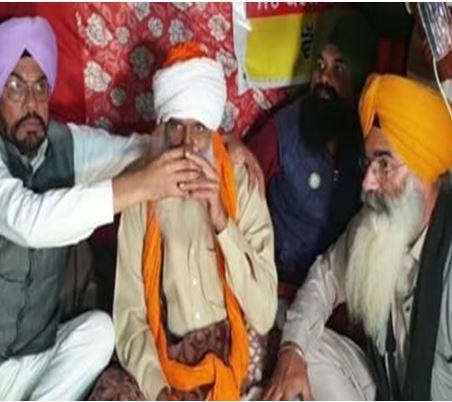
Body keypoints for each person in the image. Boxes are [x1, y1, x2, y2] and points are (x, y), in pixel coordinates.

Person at [0, 18, 261, 400]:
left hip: (33, 360)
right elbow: (28, 221)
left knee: (99, 332)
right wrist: (140, 186)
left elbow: (139, 149)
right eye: (15, 87)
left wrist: (214, 140)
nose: (31, 103)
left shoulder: (64, 144)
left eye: (40, 87)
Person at [263, 74, 452, 400]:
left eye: (384, 164)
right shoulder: (376, 226)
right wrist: (292, 351)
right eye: (369, 162)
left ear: (423, 171)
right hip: (387, 388)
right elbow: (325, 279)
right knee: (302, 343)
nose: (367, 183)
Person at [107, 43, 277, 401]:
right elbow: (130, 314)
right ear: (162, 128)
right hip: (168, 358)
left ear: (213, 129)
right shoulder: (141, 189)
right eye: (176, 127)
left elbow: (263, 314)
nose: (186, 145)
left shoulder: (242, 183)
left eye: (198, 128)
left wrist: (221, 221)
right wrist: (159, 390)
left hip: (239, 349)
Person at [246, 8, 377, 286]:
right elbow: (239, 185)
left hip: (339, 287)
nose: (324, 79)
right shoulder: (284, 130)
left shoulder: (371, 141)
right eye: (320, 65)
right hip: (280, 283)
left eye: (338, 68)